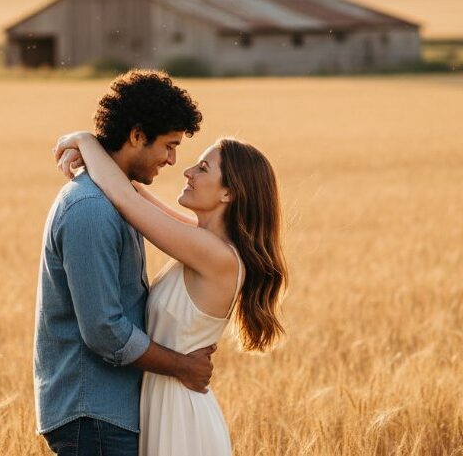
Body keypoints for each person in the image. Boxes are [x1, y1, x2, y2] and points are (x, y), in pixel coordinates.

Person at [53, 119, 288, 455]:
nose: (187, 171)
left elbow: (125, 200)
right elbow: (133, 192)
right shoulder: (203, 241)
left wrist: (83, 139)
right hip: (166, 401)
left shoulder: (216, 256)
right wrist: (96, 150)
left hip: (181, 415)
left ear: (228, 192)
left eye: (203, 168)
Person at [33, 70, 213, 456]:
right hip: (95, 413)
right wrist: (182, 366)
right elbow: (104, 330)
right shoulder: (92, 209)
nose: (172, 160)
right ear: (136, 136)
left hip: (107, 412)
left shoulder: (118, 199)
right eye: (169, 145)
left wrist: (85, 141)